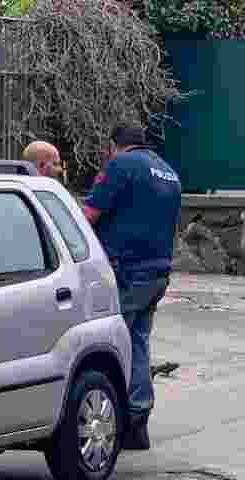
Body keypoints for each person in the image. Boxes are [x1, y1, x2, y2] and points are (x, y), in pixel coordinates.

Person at [82, 124, 182, 451]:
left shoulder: (121, 165)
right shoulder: (168, 172)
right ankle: (138, 423)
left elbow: (88, 215)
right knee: (137, 344)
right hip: (157, 272)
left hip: (125, 271)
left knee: (112, 348)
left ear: (115, 145)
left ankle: (117, 421)